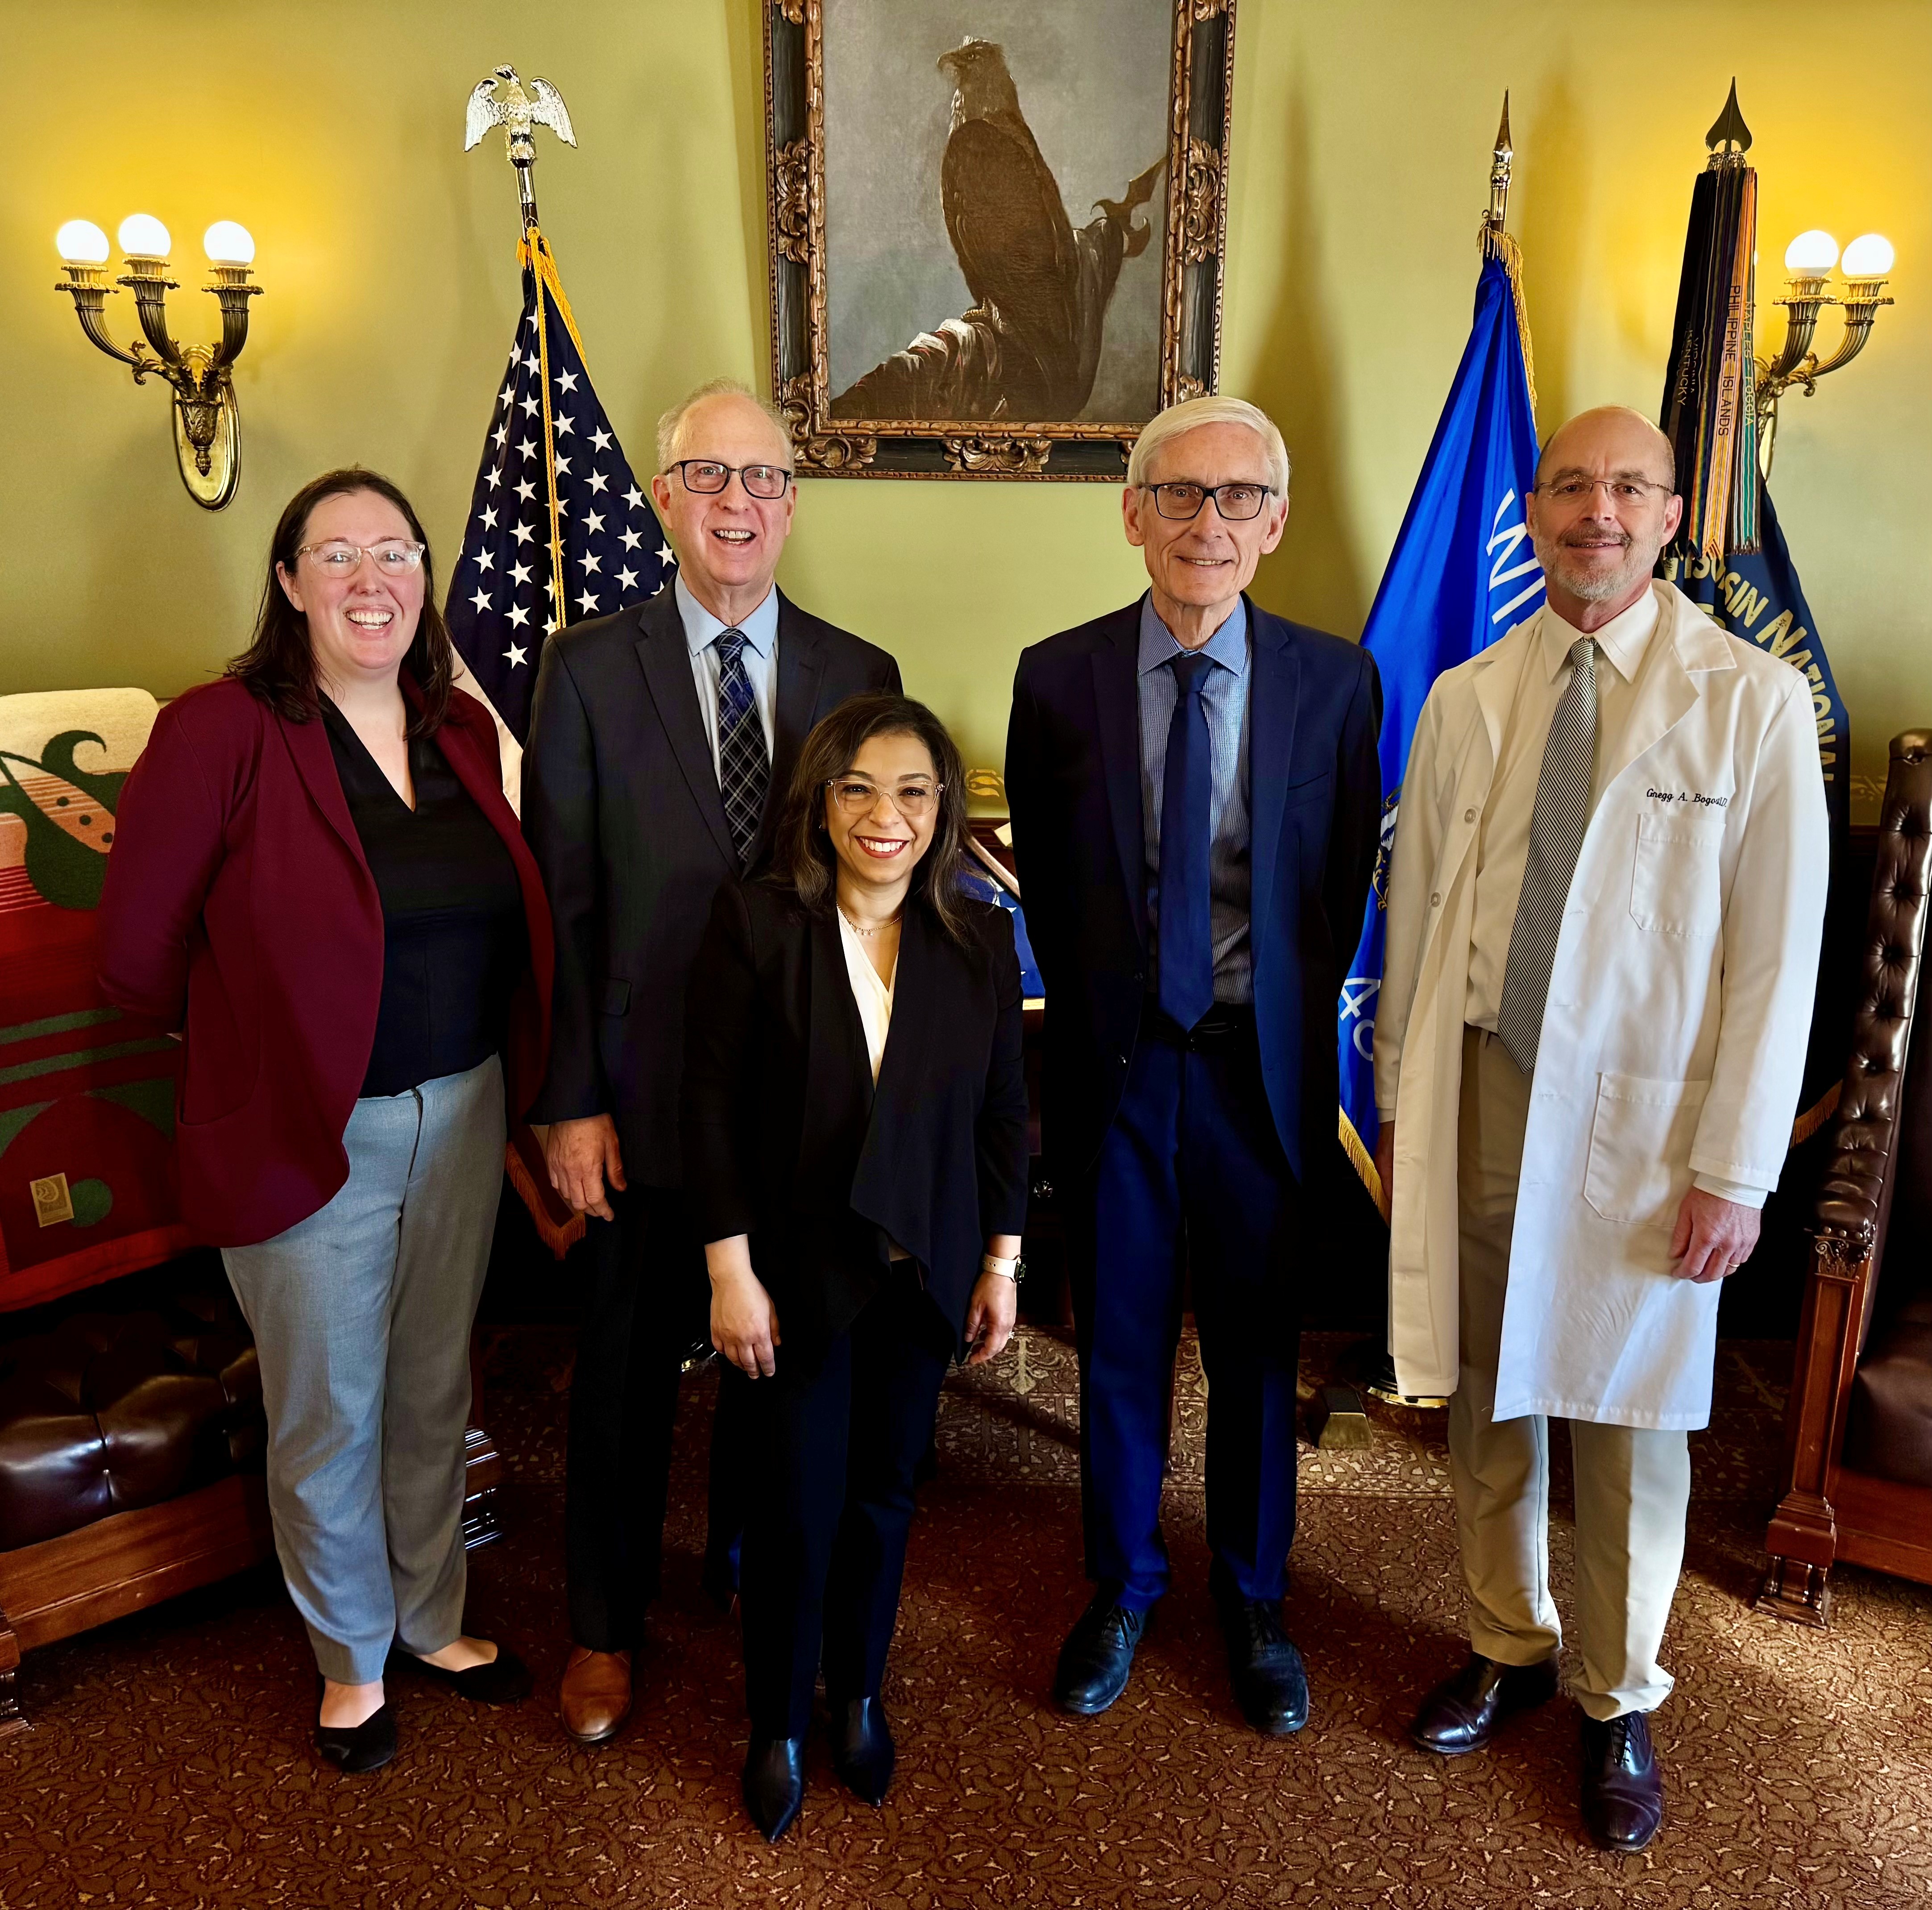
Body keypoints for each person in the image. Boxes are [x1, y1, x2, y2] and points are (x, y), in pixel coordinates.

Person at [1373, 406, 1828, 1852]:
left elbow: (1776, 964)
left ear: (1672, 514)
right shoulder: (1469, 694)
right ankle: (1506, 1641)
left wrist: (1737, 1170)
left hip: (1647, 1126)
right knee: (1489, 1393)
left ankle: (1616, 1693)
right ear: (1537, 511)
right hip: (1479, 1084)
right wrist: (1400, 1100)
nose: (1599, 512)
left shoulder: (1748, 702)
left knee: (1628, 1420)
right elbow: (1418, 910)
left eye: (1630, 487)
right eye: (1572, 486)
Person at [97, 469, 555, 1775]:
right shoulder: (218, 731)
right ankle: (351, 1659)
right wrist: (253, 1047)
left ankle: (431, 1619)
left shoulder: (460, 730)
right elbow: (136, 960)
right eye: (337, 554)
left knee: (432, 1386)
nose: (371, 579)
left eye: (395, 552)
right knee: (328, 1410)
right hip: (306, 1130)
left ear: (425, 577)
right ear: (289, 581)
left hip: (463, 1110)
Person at [522, 379, 901, 1747]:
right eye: (710, 475)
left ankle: (747, 1571)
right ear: (665, 496)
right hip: (640, 1098)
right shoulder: (585, 667)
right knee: (625, 1378)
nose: (738, 501)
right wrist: (568, 1102)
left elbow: (877, 899)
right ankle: (604, 1629)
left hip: (802, 1110)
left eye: (764, 478)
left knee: (782, 1364)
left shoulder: (859, 674)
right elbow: (561, 904)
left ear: (793, 503)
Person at [1005, 395, 1382, 1733]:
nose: (1206, 523)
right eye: (1178, 493)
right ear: (1132, 515)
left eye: (1237, 498)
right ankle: (1121, 1586)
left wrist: (1260, 1014)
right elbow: (1053, 887)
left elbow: (1337, 889)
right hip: (1117, 1067)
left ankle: (1252, 1594)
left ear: (1272, 523)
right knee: (1115, 1341)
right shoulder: (1055, 678)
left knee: (1253, 1349)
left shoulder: (1336, 682)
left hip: (1253, 1076)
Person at [683, 693, 1028, 1840]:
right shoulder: (758, 923)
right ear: (822, 801)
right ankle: (778, 1720)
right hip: (793, 1278)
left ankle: (858, 1696)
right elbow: (710, 1110)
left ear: (942, 809)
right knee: (795, 1506)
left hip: (921, 1276)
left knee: (884, 1498)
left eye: (913, 791)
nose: (887, 815)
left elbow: (1000, 1116)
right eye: (860, 788)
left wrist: (1000, 1262)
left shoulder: (977, 940)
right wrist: (728, 1272)